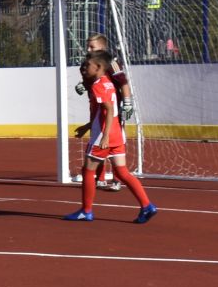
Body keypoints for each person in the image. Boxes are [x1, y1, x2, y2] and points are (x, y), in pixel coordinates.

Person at [68, 49, 158, 224]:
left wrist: (105, 137)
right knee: (122, 171)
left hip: (105, 134)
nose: (84, 68)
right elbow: (106, 111)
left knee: (88, 170)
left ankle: (86, 211)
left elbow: (108, 110)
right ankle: (147, 205)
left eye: (88, 66)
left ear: (99, 67)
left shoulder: (97, 85)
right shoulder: (108, 82)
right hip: (117, 133)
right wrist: (87, 127)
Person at [79, 33, 135, 190]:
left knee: (112, 142)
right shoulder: (89, 63)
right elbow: (90, 81)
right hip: (97, 107)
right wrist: (83, 85)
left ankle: (117, 179)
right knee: (97, 141)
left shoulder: (112, 63)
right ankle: (100, 178)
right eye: (88, 45)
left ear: (102, 48)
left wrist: (128, 103)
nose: (88, 49)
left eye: (92, 46)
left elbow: (123, 83)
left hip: (112, 108)